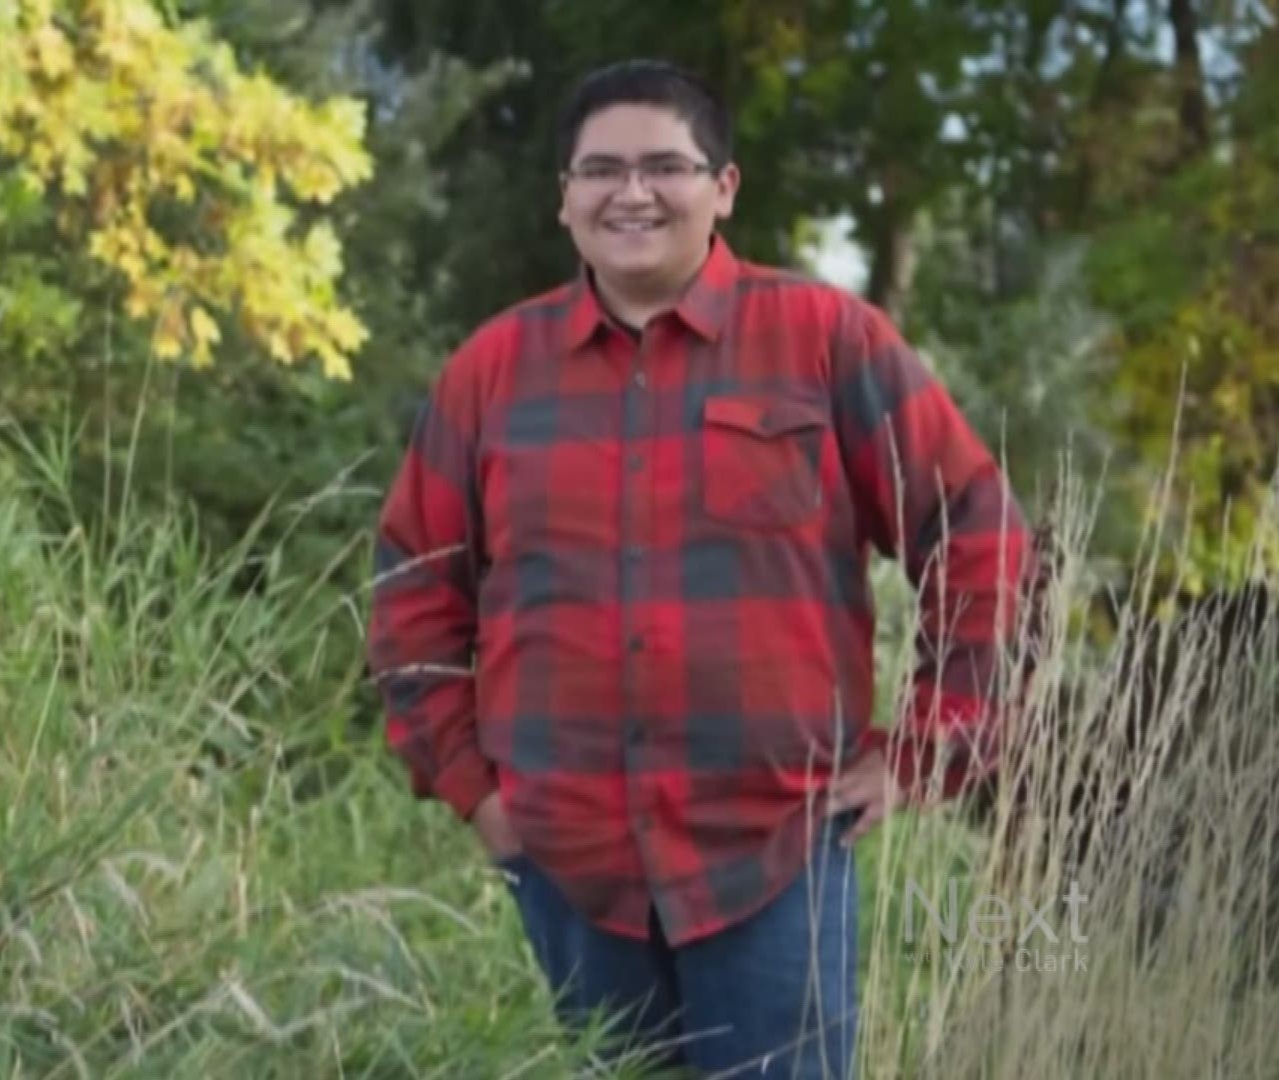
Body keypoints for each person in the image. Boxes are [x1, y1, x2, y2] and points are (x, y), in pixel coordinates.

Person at [366, 58, 1035, 1078]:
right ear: (565, 199)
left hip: (774, 855)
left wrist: (933, 744)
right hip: (566, 859)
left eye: (664, 166)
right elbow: (413, 587)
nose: (631, 192)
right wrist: (478, 795)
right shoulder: (491, 374)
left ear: (722, 188)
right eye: (600, 170)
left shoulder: (825, 341)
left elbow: (974, 522)